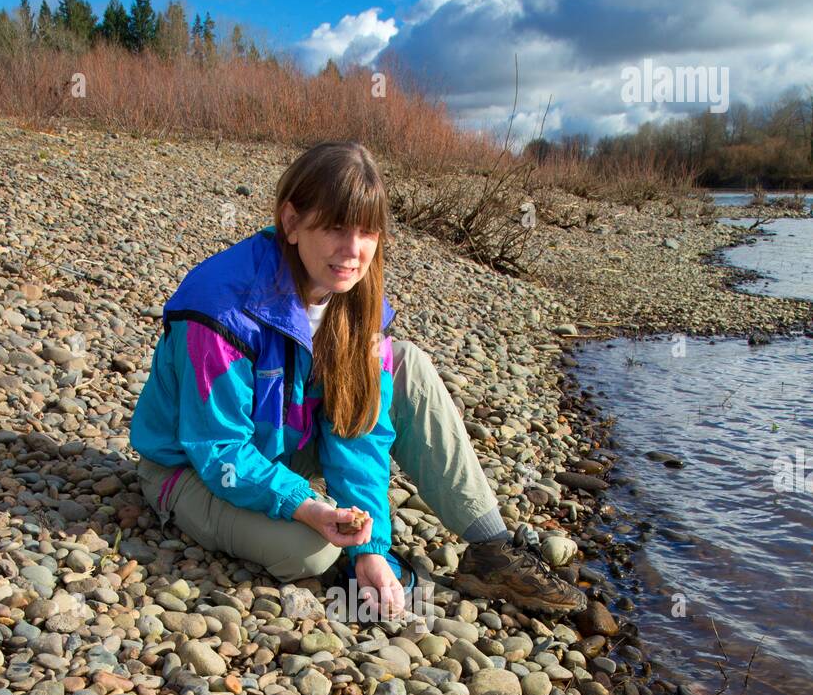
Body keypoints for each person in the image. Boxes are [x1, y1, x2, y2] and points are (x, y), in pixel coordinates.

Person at [130, 140, 586, 619]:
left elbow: (357, 429)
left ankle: (492, 548)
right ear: (290, 222)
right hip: (192, 468)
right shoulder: (218, 310)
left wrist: (373, 548)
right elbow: (219, 450)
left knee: (407, 364)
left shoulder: (353, 296)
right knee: (311, 551)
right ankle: (343, 567)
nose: (353, 252)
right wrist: (309, 508)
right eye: (335, 228)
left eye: (368, 232)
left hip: (285, 444)